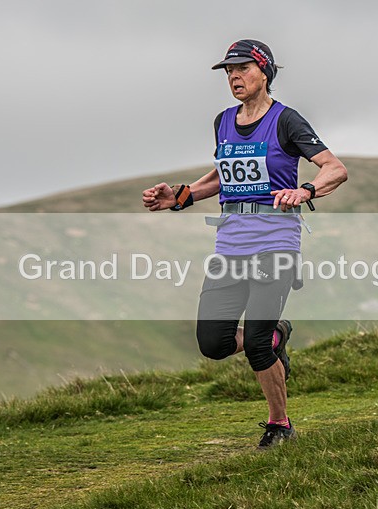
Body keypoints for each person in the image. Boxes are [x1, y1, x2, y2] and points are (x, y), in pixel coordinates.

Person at [142, 39, 347, 449]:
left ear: (264, 72)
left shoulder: (286, 121)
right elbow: (223, 174)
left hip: (276, 242)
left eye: (242, 69)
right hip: (231, 245)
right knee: (213, 343)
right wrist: (180, 197)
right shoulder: (223, 121)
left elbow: (335, 169)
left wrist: (305, 191)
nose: (234, 77)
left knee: (254, 342)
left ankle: (279, 424)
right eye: (228, 71)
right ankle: (276, 336)